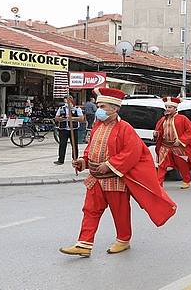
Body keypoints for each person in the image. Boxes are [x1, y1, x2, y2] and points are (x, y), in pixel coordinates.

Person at [59, 88, 176, 257]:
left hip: (114, 178)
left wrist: (110, 164)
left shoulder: (124, 128)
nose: (99, 109)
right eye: (98, 105)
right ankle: (84, 244)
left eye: (103, 106)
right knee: (90, 210)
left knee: (119, 211)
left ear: (114, 109)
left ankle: (123, 239)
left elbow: (133, 152)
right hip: (95, 177)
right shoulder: (97, 125)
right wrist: (83, 161)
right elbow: (91, 148)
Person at [154, 96, 191, 188]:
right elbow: (160, 131)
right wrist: (156, 134)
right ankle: (159, 184)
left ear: (175, 108)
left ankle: (186, 180)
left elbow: (189, 132)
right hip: (165, 146)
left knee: (182, 164)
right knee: (161, 165)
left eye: (170, 107)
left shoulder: (183, 119)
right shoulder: (162, 119)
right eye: (166, 107)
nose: (167, 109)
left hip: (178, 146)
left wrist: (181, 141)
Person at [54, 95, 84, 165]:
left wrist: (72, 118)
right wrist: (62, 118)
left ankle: (75, 159)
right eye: (66, 101)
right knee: (62, 144)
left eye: (69, 100)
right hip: (63, 129)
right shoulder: (61, 108)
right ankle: (61, 160)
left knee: (74, 144)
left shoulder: (77, 108)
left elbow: (81, 118)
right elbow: (56, 118)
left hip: (73, 129)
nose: (67, 102)